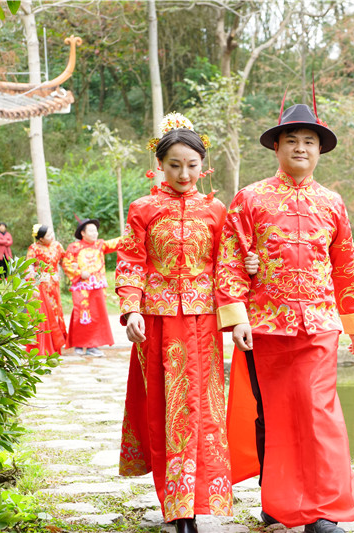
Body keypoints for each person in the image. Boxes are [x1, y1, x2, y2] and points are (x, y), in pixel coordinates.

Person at [214, 102, 354, 533]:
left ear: (319, 150)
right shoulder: (250, 199)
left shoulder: (332, 203)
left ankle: (321, 512)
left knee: (319, 414)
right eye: (292, 141)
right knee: (272, 416)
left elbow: (345, 266)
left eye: (309, 142)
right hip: (265, 328)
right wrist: (237, 317)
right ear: (277, 147)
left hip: (318, 327)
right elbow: (229, 260)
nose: (301, 148)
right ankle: (277, 501)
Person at [115, 113, 258, 533]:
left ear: (203, 165)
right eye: (174, 165)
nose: (183, 174)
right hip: (156, 325)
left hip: (203, 324)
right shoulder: (143, 209)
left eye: (192, 165)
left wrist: (247, 273)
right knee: (166, 411)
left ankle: (196, 502)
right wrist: (132, 308)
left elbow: (227, 264)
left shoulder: (216, 210)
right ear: (159, 164)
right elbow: (131, 260)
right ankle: (177, 507)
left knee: (201, 410)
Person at [61, 217, 120, 356]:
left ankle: (93, 346)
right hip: (82, 288)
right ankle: (79, 344)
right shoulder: (74, 247)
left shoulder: (100, 245)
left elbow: (117, 242)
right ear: (83, 233)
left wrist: (134, 232)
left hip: (97, 286)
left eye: (96, 231)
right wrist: (80, 273)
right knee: (81, 314)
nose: (95, 233)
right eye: (91, 231)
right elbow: (66, 264)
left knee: (97, 315)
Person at [25, 224, 67, 356]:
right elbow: (28, 267)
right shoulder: (34, 248)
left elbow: (66, 261)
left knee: (55, 313)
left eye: (52, 233)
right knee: (44, 315)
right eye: (48, 235)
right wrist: (32, 284)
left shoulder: (58, 246)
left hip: (54, 286)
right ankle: (43, 347)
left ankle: (55, 346)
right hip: (40, 287)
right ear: (41, 239)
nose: (52, 236)